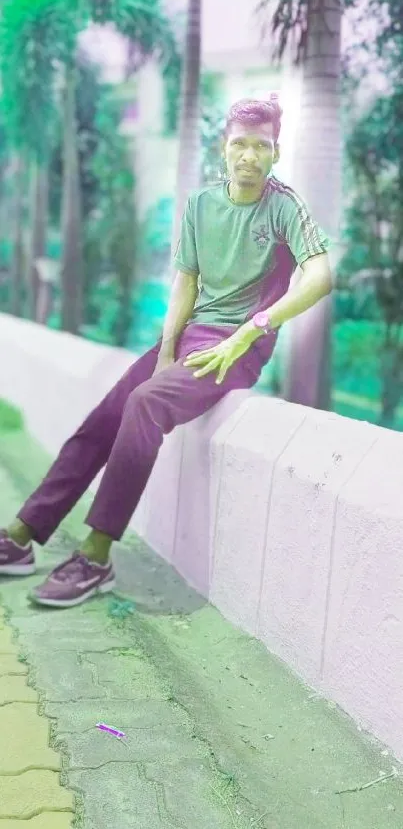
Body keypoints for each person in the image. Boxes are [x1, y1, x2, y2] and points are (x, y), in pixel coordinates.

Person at [0, 95, 332, 608]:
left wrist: (252, 330)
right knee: (104, 418)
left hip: (234, 349)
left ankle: (96, 554)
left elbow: (320, 276)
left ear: (275, 152)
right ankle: (24, 534)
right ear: (224, 147)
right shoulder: (202, 204)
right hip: (191, 335)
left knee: (145, 405)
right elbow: (186, 280)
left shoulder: (284, 206)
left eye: (260, 146)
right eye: (239, 144)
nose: (249, 155)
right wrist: (166, 349)